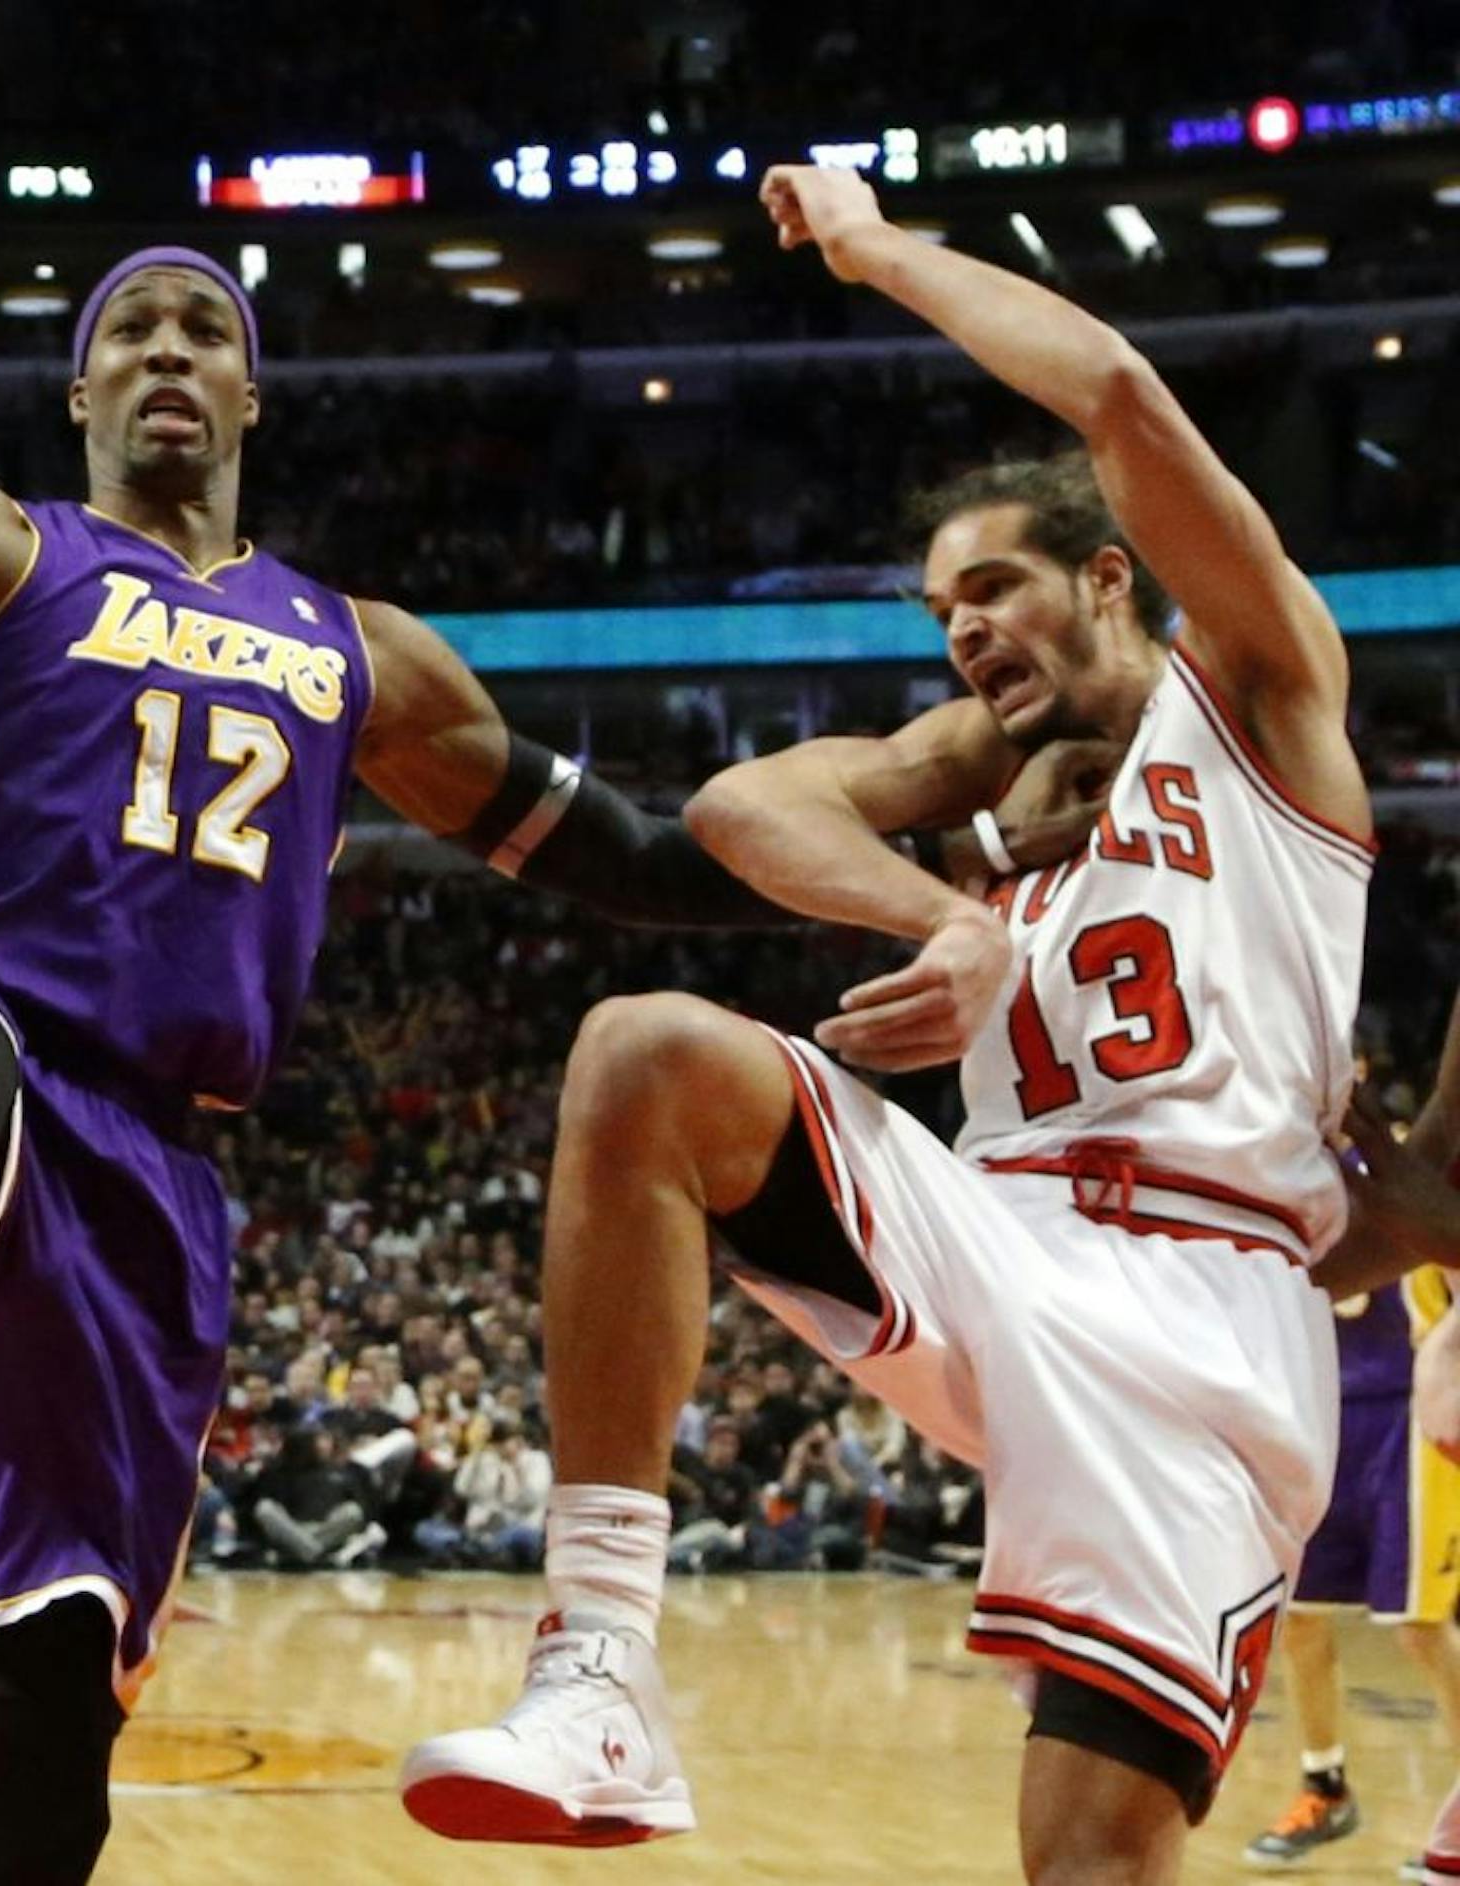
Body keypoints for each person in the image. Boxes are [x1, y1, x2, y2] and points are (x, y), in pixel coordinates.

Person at [0, 205, 1096, 1885]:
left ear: (252, 397)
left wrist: (964, 785)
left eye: (204, 330)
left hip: (150, 1173)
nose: (170, 352)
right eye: (135, 329)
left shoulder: (358, 651)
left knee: (51, 1690)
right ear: (80, 388)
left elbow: (647, 865)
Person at [402, 161, 1372, 1886]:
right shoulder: (983, 793)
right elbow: (737, 806)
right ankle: (603, 1670)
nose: (964, 629)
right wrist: (947, 915)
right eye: (937, 611)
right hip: (1005, 1239)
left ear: (1106, 577)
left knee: (1087, 1860)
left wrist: (871, 251)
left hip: (1216, 1313)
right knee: (645, 1055)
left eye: (992, 588)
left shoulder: (1262, 701)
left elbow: (1116, 395)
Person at [1240, 1266, 1460, 1875]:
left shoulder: (1418, 1174)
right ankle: (1324, 1786)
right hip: (1317, 1410)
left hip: (1410, 1408)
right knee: (1301, 1616)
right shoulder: (1298, 1177)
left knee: (1419, 1623)